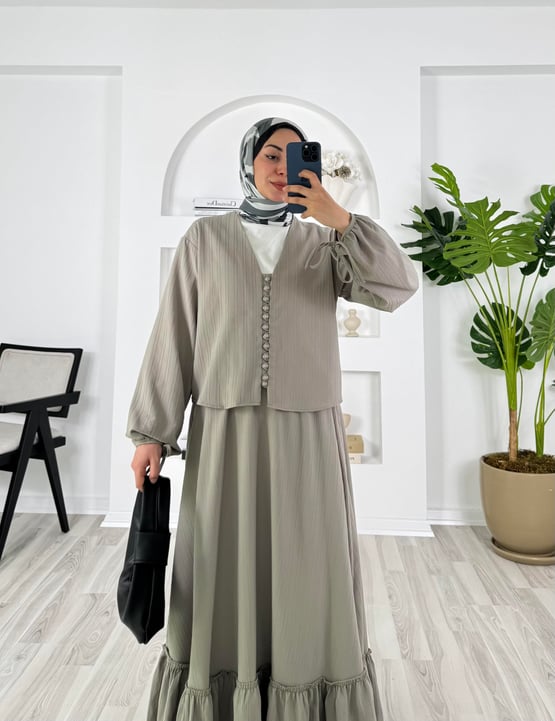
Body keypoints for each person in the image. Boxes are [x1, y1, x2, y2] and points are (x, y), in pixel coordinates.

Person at [127, 116, 418, 721]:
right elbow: (175, 333)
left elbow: (397, 286)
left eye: (295, 154)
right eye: (270, 155)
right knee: (220, 564)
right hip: (224, 433)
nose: (283, 167)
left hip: (307, 433)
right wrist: (153, 431)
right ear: (249, 163)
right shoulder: (204, 239)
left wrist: (341, 219)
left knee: (306, 567)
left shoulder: (326, 243)